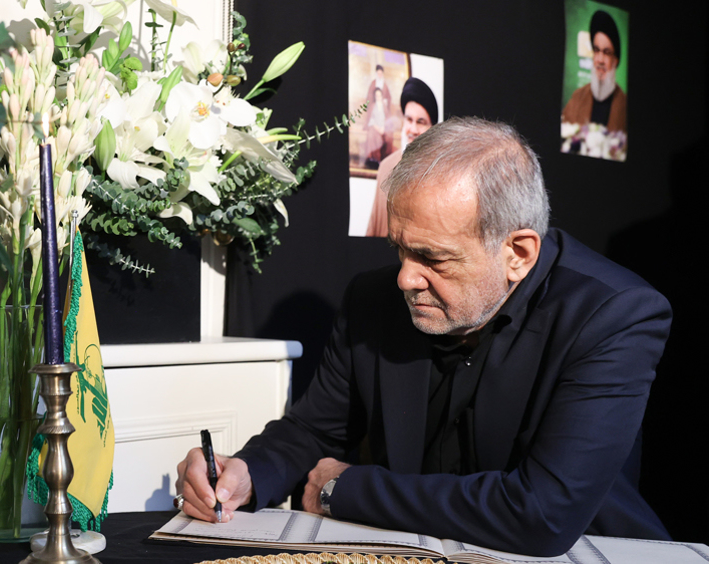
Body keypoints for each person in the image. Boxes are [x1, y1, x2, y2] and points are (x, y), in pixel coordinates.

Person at [176, 117, 671, 557]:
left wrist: (343, 489)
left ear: (517, 253)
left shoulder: (615, 315)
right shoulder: (371, 299)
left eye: (433, 258)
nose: (405, 279)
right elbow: (315, 430)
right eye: (400, 250)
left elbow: (541, 515)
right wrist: (246, 471)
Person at [365, 76, 437, 237]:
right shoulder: (386, 166)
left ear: (432, 128)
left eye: (421, 122)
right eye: (409, 119)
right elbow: (373, 226)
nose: (413, 128)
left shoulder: (439, 171)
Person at [561, 10, 627, 132]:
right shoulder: (577, 98)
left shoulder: (625, 105)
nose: (600, 60)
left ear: (615, 60)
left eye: (607, 53)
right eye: (596, 50)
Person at [363, 64, 392, 168]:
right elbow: (369, 98)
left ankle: (385, 160)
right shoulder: (373, 84)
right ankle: (372, 159)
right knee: (372, 135)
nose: (379, 74)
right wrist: (373, 104)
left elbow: (389, 99)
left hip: (383, 122)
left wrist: (384, 102)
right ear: (376, 73)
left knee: (388, 136)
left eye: (381, 73)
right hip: (374, 121)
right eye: (378, 73)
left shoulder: (384, 85)